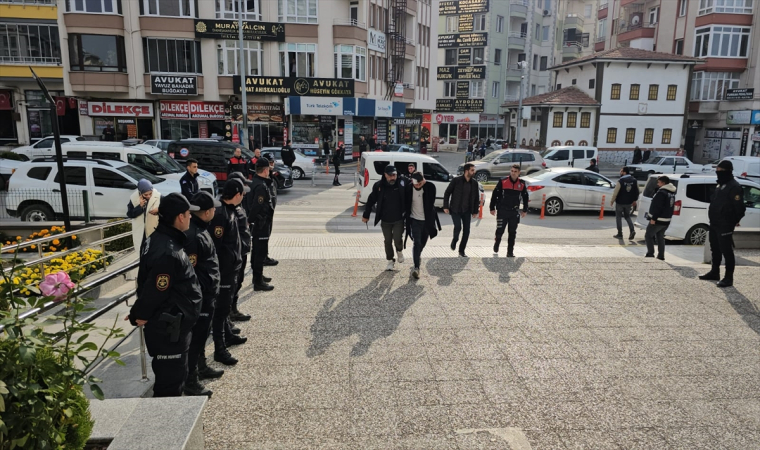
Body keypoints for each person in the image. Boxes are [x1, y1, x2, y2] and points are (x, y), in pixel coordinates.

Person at [127, 193, 202, 397]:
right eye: (188, 214)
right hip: (170, 329)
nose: (190, 218)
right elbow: (156, 289)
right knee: (170, 386)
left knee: (174, 378)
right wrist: (138, 313)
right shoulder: (169, 251)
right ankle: (166, 426)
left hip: (172, 325)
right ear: (180, 217)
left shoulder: (157, 238)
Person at [183, 191, 222, 397]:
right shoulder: (193, 235)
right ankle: (191, 380)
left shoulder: (200, 229)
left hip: (207, 294)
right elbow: (192, 270)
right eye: (213, 208)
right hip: (200, 297)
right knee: (196, 339)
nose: (215, 211)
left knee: (202, 336)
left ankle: (201, 367)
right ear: (206, 212)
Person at [208, 179, 249, 366]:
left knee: (224, 308)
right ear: (237, 194)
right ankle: (219, 348)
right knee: (221, 310)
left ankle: (228, 335)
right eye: (242, 193)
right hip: (224, 271)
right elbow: (216, 248)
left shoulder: (231, 210)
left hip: (231, 268)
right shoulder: (221, 214)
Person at [699, 160, 746, 287]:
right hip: (714, 222)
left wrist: (734, 221)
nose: (718, 173)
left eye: (720, 171)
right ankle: (715, 272)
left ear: (727, 171)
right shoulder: (720, 185)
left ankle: (728, 277)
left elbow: (740, 208)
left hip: (725, 224)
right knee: (715, 248)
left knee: (726, 250)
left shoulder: (734, 186)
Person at [362, 165, 407, 271]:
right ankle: (390, 260)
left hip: (399, 218)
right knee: (387, 241)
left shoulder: (402, 183)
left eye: (394, 175)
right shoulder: (379, 186)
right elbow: (371, 200)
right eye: (390, 175)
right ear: (385, 175)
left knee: (397, 239)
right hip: (385, 219)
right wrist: (366, 215)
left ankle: (399, 251)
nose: (393, 177)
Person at [227, 173, 254, 323]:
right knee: (230, 286)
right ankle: (227, 316)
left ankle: (233, 309)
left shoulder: (239, 206)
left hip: (241, 252)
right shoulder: (226, 211)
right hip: (233, 255)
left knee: (238, 282)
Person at [404, 172, 440, 278]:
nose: (418, 186)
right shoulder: (409, 188)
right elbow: (406, 204)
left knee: (422, 243)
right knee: (417, 243)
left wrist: (425, 185)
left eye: (420, 184)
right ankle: (416, 268)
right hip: (415, 220)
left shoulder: (430, 187)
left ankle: (417, 256)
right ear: (412, 182)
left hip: (427, 221)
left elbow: (430, 202)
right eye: (416, 184)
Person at [489, 164, 529, 257]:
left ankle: (510, 252)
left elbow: (525, 197)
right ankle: (497, 242)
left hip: (514, 212)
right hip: (502, 211)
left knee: (512, 233)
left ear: (519, 173)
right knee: (500, 230)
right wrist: (492, 208)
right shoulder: (503, 181)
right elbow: (495, 194)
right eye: (512, 171)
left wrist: (525, 209)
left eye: (515, 172)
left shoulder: (522, 183)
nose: (513, 173)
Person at [249, 158, 276, 290]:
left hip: (260, 223)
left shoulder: (255, 182)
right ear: (265, 170)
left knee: (256, 251)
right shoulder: (260, 186)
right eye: (268, 170)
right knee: (260, 253)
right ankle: (258, 282)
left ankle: (257, 276)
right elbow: (256, 206)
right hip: (261, 224)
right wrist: (254, 221)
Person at [443, 163, 480, 257]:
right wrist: (446, 206)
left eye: (474, 170)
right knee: (458, 227)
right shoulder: (456, 180)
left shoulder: (474, 183)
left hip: (467, 211)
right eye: (472, 170)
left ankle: (461, 250)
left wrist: (475, 211)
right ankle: (455, 240)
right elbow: (447, 193)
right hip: (455, 209)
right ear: (466, 171)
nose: (474, 172)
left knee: (466, 231)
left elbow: (476, 198)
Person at [644, 176, 676, 260]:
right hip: (666, 220)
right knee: (660, 237)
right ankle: (661, 255)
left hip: (658, 219)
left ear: (663, 183)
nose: (657, 184)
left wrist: (653, 218)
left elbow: (658, 207)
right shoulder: (671, 192)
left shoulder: (662, 193)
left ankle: (650, 253)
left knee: (648, 235)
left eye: (659, 182)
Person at [127, 179, 161, 252]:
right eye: (146, 195)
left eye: (150, 193)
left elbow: (167, 209)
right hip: (141, 232)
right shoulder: (133, 198)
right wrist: (140, 207)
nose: (148, 196)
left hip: (154, 230)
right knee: (142, 252)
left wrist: (159, 210)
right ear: (140, 193)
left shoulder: (158, 196)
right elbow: (130, 214)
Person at [611, 167, 639, 240]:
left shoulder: (620, 181)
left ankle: (620, 233)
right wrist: (634, 200)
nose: (620, 172)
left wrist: (612, 200)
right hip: (629, 202)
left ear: (624, 172)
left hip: (620, 202)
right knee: (627, 217)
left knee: (618, 217)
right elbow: (637, 191)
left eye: (621, 171)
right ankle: (632, 230)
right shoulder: (634, 180)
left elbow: (615, 192)